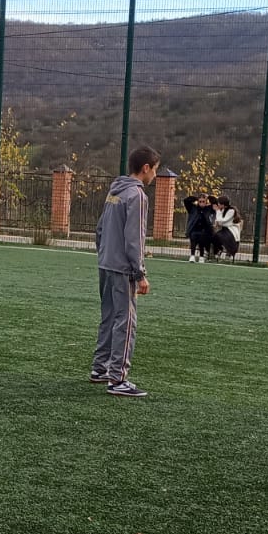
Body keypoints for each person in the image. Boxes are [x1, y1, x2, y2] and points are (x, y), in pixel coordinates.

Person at [90, 144, 160, 397]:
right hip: (122, 268)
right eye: (155, 170)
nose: (154, 176)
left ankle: (100, 369)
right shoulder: (137, 196)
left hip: (105, 263)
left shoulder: (114, 192)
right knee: (126, 320)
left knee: (109, 316)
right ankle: (118, 378)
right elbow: (135, 239)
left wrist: (104, 254)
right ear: (146, 168)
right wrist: (140, 273)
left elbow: (99, 230)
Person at [184, 191, 215, 262]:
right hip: (194, 228)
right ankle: (192, 256)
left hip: (204, 229)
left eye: (203, 201)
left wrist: (209, 197)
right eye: (200, 201)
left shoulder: (209, 209)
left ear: (206, 202)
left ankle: (201, 256)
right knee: (193, 241)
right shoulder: (193, 208)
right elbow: (186, 201)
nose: (201, 203)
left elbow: (215, 202)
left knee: (202, 242)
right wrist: (195, 198)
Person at [212, 195, 243, 260]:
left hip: (231, 231)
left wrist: (217, 211)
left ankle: (229, 253)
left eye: (219, 203)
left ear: (223, 204)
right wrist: (218, 221)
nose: (218, 205)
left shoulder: (231, 210)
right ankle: (219, 250)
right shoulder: (223, 210)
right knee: (215, 236)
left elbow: (223, 220)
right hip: (225, 229)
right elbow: (220, 221)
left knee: (223, 237)